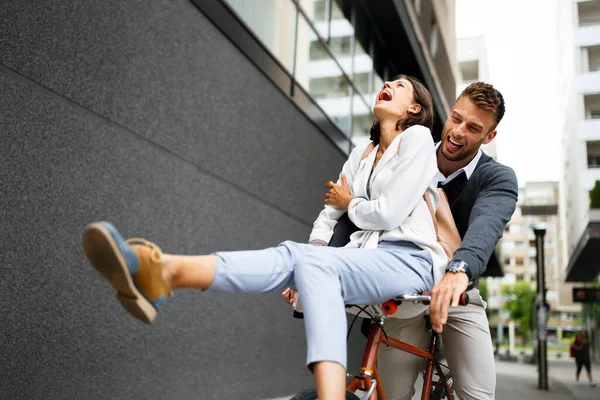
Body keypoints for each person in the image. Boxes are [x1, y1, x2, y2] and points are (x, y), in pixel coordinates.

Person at [82, 75, 450, 400]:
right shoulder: (362, 154)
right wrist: (315, 253)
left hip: (409, 259)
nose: (388, 85)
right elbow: (329, 215)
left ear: (415, 108)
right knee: (297, 255)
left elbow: (389, 212)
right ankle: (162, 272)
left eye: (399, 85)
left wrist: (349, 201)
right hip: (365, 258)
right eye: (388, 82)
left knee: (309, 262)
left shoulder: (417, 139)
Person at [322, 82, 518, 400]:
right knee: (391, 393)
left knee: (476, 394)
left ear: (489, 136)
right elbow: (355, 214)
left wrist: (460, 271)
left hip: (456, 291)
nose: (457, 132)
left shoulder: (497, 177)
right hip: (404, 289)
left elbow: (486, 226)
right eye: (456, 118)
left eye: (473, 128)